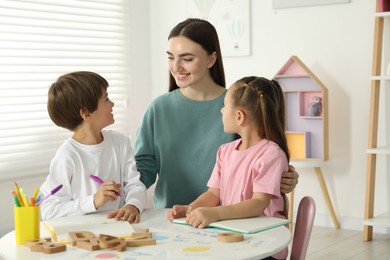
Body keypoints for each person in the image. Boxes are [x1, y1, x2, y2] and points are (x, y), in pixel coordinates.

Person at [134, 18, 298, 208]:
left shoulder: (239, 106)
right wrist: (121, 189)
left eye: (187, 59)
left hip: (229, 218)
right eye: (171, 57)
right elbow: (143, 169)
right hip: (172, 215)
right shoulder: (158, 108)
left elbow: (264, 154)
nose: (176, 67)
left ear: (211, 59)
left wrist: (286, 176)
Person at [168, 76, 289, 259]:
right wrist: (190, 209)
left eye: (225, 106)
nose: (221, 110)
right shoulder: (225, 151)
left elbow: (258, 204)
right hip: (233, 236)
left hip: (265, 243)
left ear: (239, 116)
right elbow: (213, 194)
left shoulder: (271, 154)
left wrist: (215, 213)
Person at [40, 71, 147, 223]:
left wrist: (133, 205)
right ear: (86, 113)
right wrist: (93, 201)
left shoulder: (120, 143)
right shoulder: (67, 156)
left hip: (118, 230)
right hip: (83, 235)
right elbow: (49, 211)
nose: (112, 104)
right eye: (106, 99)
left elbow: (135, 184)